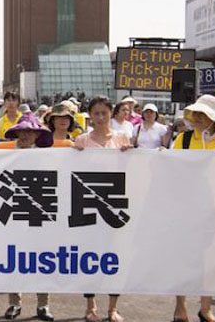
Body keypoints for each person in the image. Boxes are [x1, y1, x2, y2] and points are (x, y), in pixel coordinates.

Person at [73, 96, 131, 322]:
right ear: (90, 115)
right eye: (95, 113)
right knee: (90, 257)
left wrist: (131, 155)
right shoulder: (82, 140)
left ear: (111, 114)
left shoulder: (122, 138)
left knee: (115, 257)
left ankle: (113, 307)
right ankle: (90, 305)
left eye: (104, 113)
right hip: (89, 207)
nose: (100, 118)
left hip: (116, 207)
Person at [171, 94, 215, 322]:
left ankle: (205, 307)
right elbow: (169, 168)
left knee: (212, 259)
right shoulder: (183, 140)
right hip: (186, 207)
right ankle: (179, 307)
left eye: (205, 114)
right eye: (198, 113)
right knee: (182, 256)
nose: (200, 118)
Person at [3, 113, 55, 321]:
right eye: (21, 131)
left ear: (36, 135)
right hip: (12, 211)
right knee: (13, 257)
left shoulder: (47, 156)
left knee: (42, 259)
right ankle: (14, 303)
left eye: (29, 131)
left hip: (39, 212)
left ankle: (43, 305)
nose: (25, 135)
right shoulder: (4, 155)